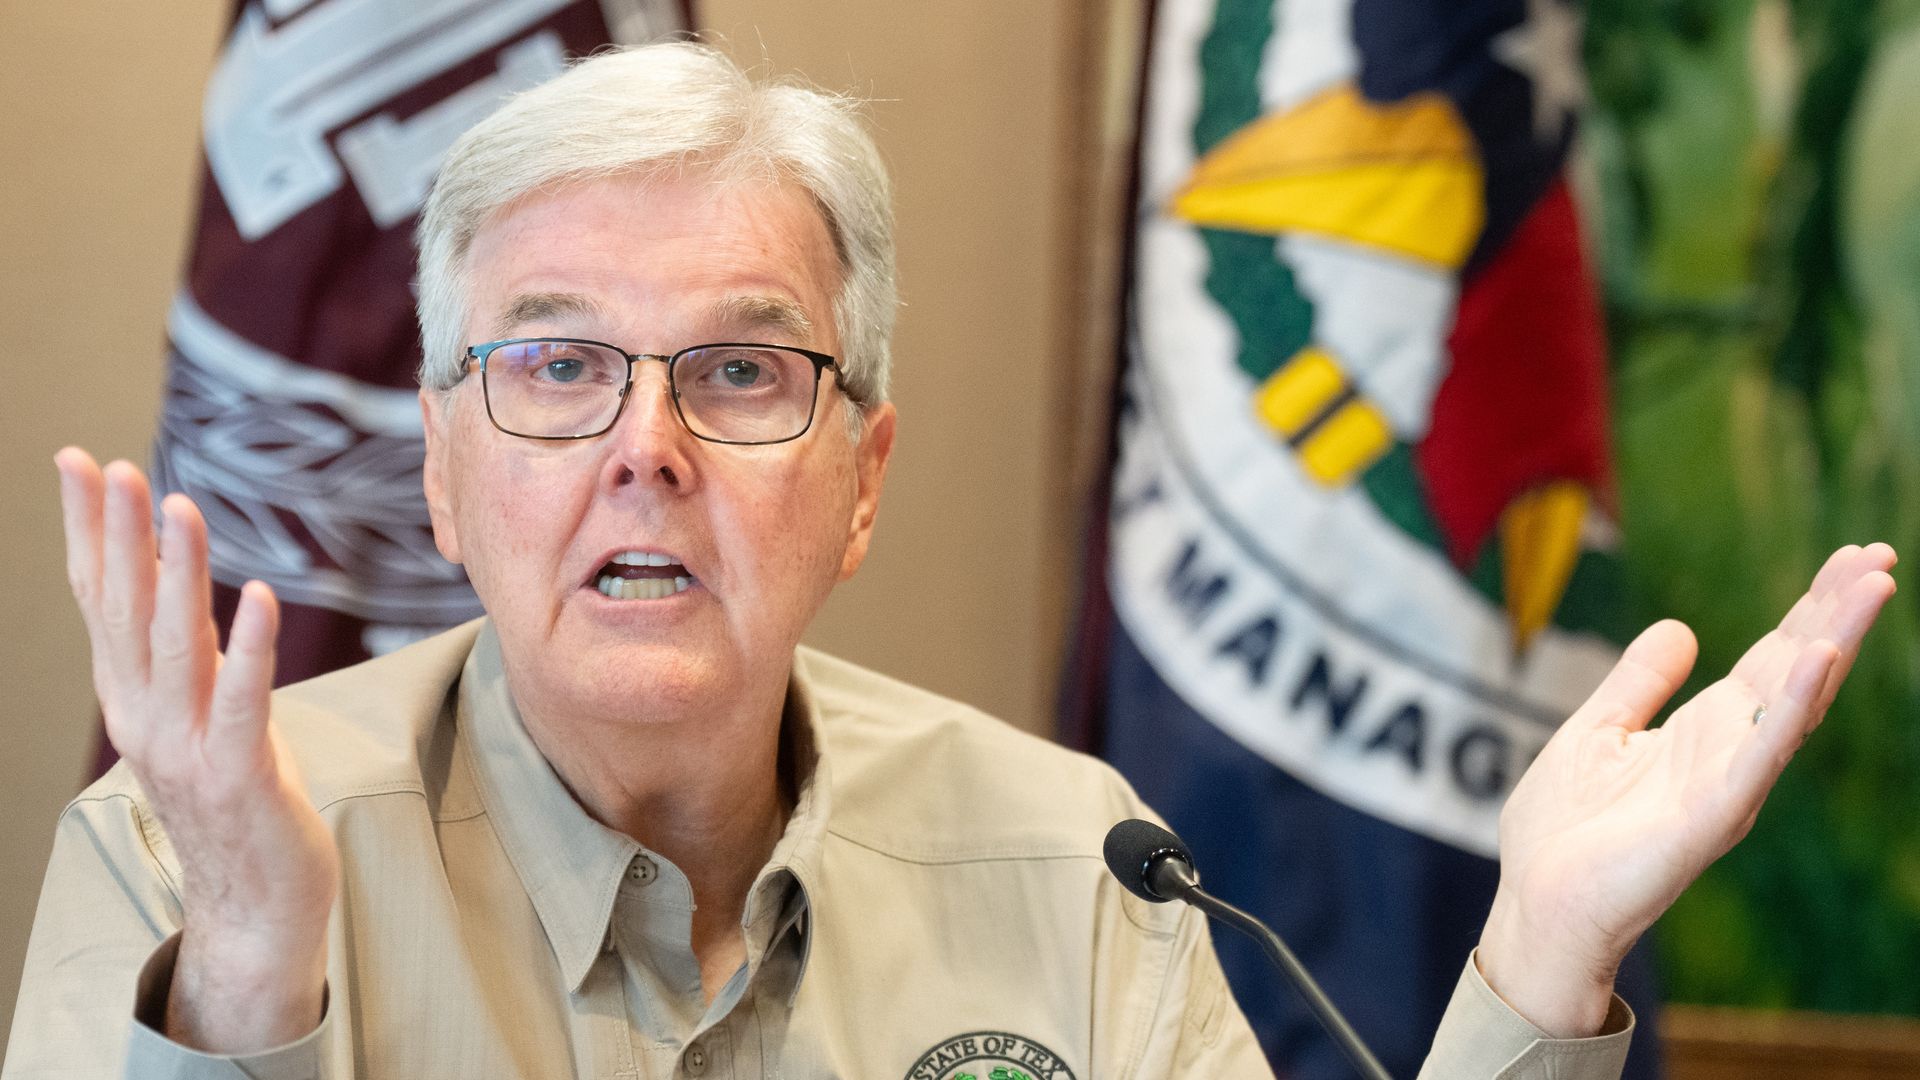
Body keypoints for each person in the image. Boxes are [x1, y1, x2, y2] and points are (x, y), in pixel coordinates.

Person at [5, 42, 1897, 1079]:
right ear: (438, 468)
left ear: (861, 478)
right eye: (557, 365)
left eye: (741, 370)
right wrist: (249, 988)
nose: (644, 446)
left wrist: (1540, 963)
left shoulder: (1088, 867)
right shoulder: (192, 857)